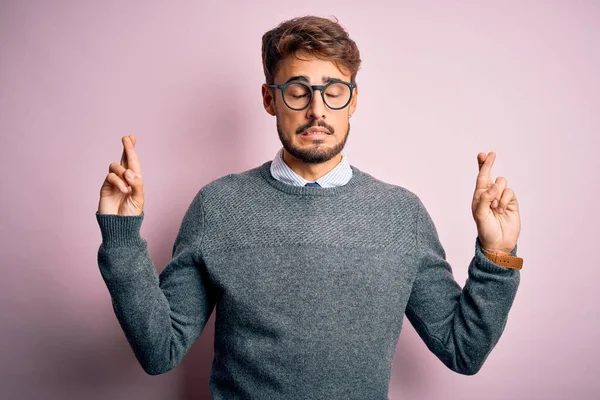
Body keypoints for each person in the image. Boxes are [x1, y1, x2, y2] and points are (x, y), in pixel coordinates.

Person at [95, 15, 523, 399]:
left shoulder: (401, 214)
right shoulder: (218, 206)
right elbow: (160, 351)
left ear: (353, 100)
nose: (317, 110)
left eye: (333, 91)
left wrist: (497, 258)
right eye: (298, 91)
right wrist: (121, 238)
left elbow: (463, 351)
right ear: (270, 99)